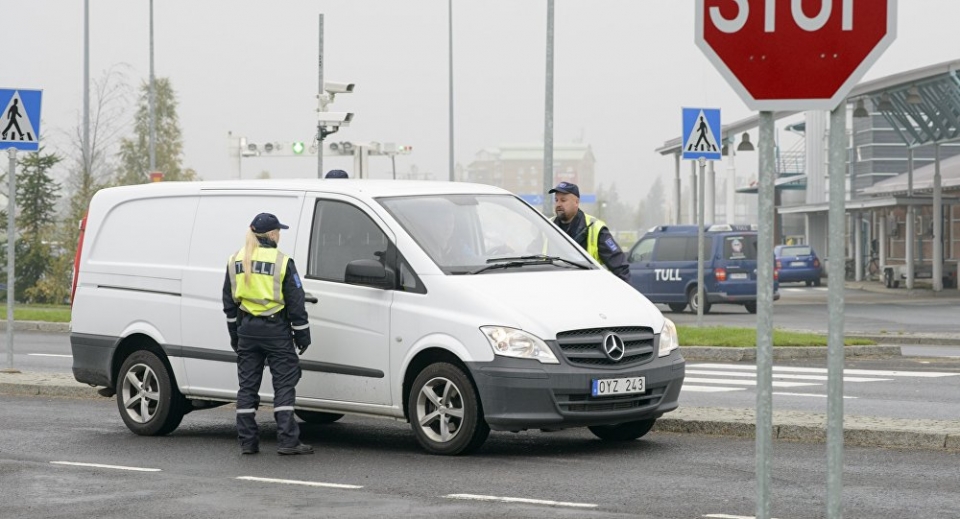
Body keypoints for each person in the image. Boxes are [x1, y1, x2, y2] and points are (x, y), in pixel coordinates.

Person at [222, 212, 314, 456]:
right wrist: (302, 336)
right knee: (284, 385)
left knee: (247, 388)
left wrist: (235, 335)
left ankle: (248, 442)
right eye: (279, 232)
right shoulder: (282, 261)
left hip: (246, 330)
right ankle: (288, 441)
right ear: (272, 234)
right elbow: (296, 302)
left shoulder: (235, 260)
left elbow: (229, 304)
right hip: (275, 331)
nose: (279, 235)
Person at [549, 182, 630, 283]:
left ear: (576, 202)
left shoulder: (595, 227)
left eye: (563, 200)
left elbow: (620, 267)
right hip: (555, 288)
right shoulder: (547, 226)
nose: (558, 204)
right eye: (556, 200)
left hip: (588, 288)